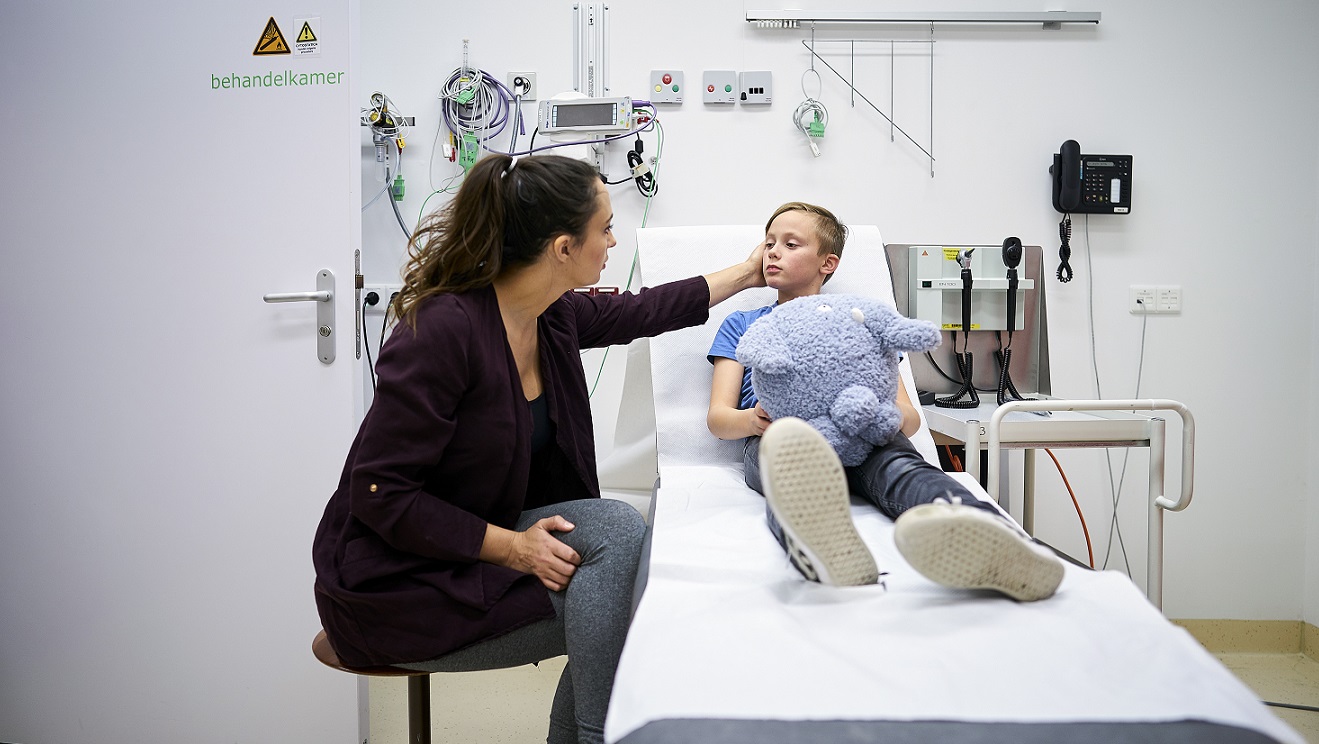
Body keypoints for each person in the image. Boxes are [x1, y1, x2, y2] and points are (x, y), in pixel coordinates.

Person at [312, 153, 765, 744]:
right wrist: (511, 549)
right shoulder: (442, 332)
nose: (613, 239)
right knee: (620, 574)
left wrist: (750, 272)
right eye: (604, 228)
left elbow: (643, 309)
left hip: (477, 544)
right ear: (562, 248)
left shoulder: (550, 316)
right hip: (402, 579)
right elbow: (381, 494)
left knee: (619, 552)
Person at [706, 201, 1064, 600]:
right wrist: (755, 421)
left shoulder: (860, 324)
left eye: (791, 244)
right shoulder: (744, 325)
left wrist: (876, 417)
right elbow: (719, 418)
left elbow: (909, 417)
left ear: (829, 263)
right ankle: (821, 546)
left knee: (902, 468)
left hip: (862, 434)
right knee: (786, 472)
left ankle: (984, 533)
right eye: (769, 242)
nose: (772, 252)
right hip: (781, 437)